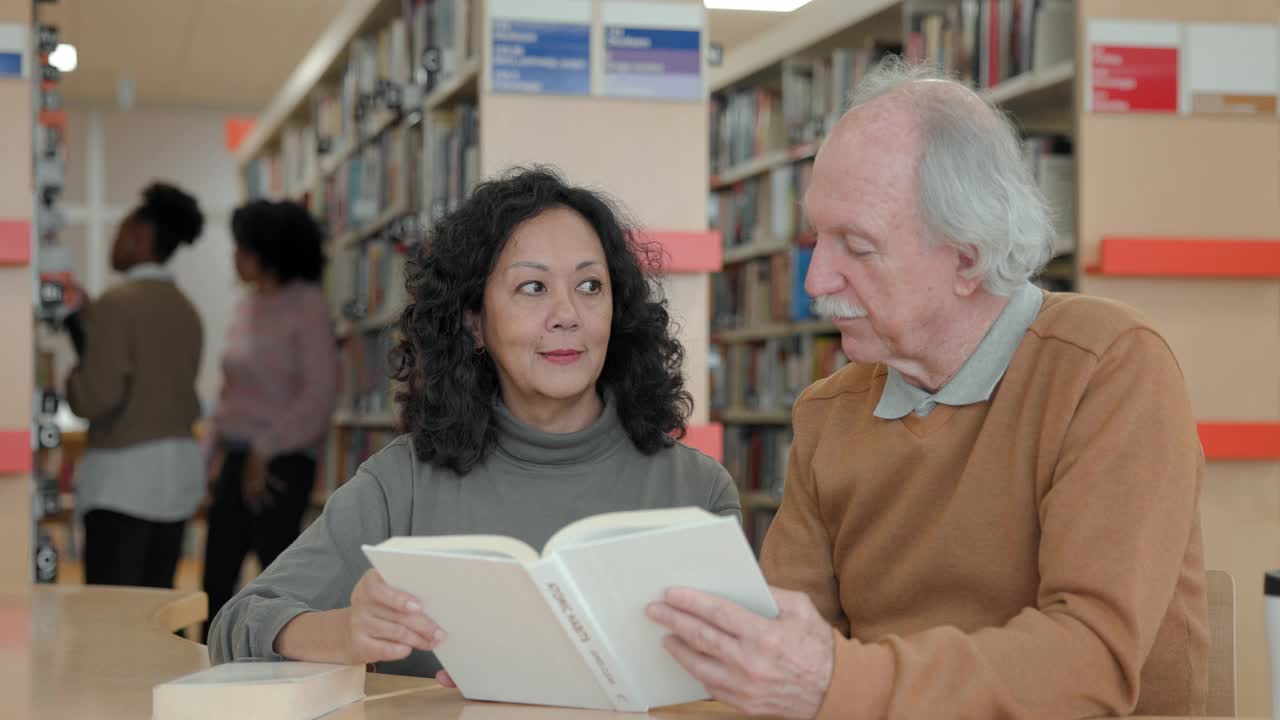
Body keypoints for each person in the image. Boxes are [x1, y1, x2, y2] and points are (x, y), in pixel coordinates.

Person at [647, 59, 1208, 719]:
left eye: (856, 246)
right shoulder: (830, 413)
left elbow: (1089, 665)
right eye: (816, 238)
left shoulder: (1107, 368)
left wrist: (837, 683)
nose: (815, 280)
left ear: (966, 258)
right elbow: (779, 666)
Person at [207, 167, 740, 679]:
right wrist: (342, 632)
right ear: (474, 323)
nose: (567, 314)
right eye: (532, 288)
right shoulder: (403, 484)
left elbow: (739, 678)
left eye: (590, 286)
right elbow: (234, 626)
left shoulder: (697, 493)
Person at [201, 199, 340, 640]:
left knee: (275, 583)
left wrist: (267, 448)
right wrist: (207, 458)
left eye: (240, 248)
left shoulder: (307, 306)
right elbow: (230, 392)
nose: (234, 258)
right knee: (214, 582)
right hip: (236, 459)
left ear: (266, 251)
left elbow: (319, 395)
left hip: (281, 464)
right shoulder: (247, 305)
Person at [65, 182, 205, 588]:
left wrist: (73, 376)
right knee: (155, 607)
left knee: (113, 617)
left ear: (141, 238)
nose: (114, 241)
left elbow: (96, 397)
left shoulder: (116, 303)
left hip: (122, 482)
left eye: (121, 231)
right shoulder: (187, 309)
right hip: (178, 477)